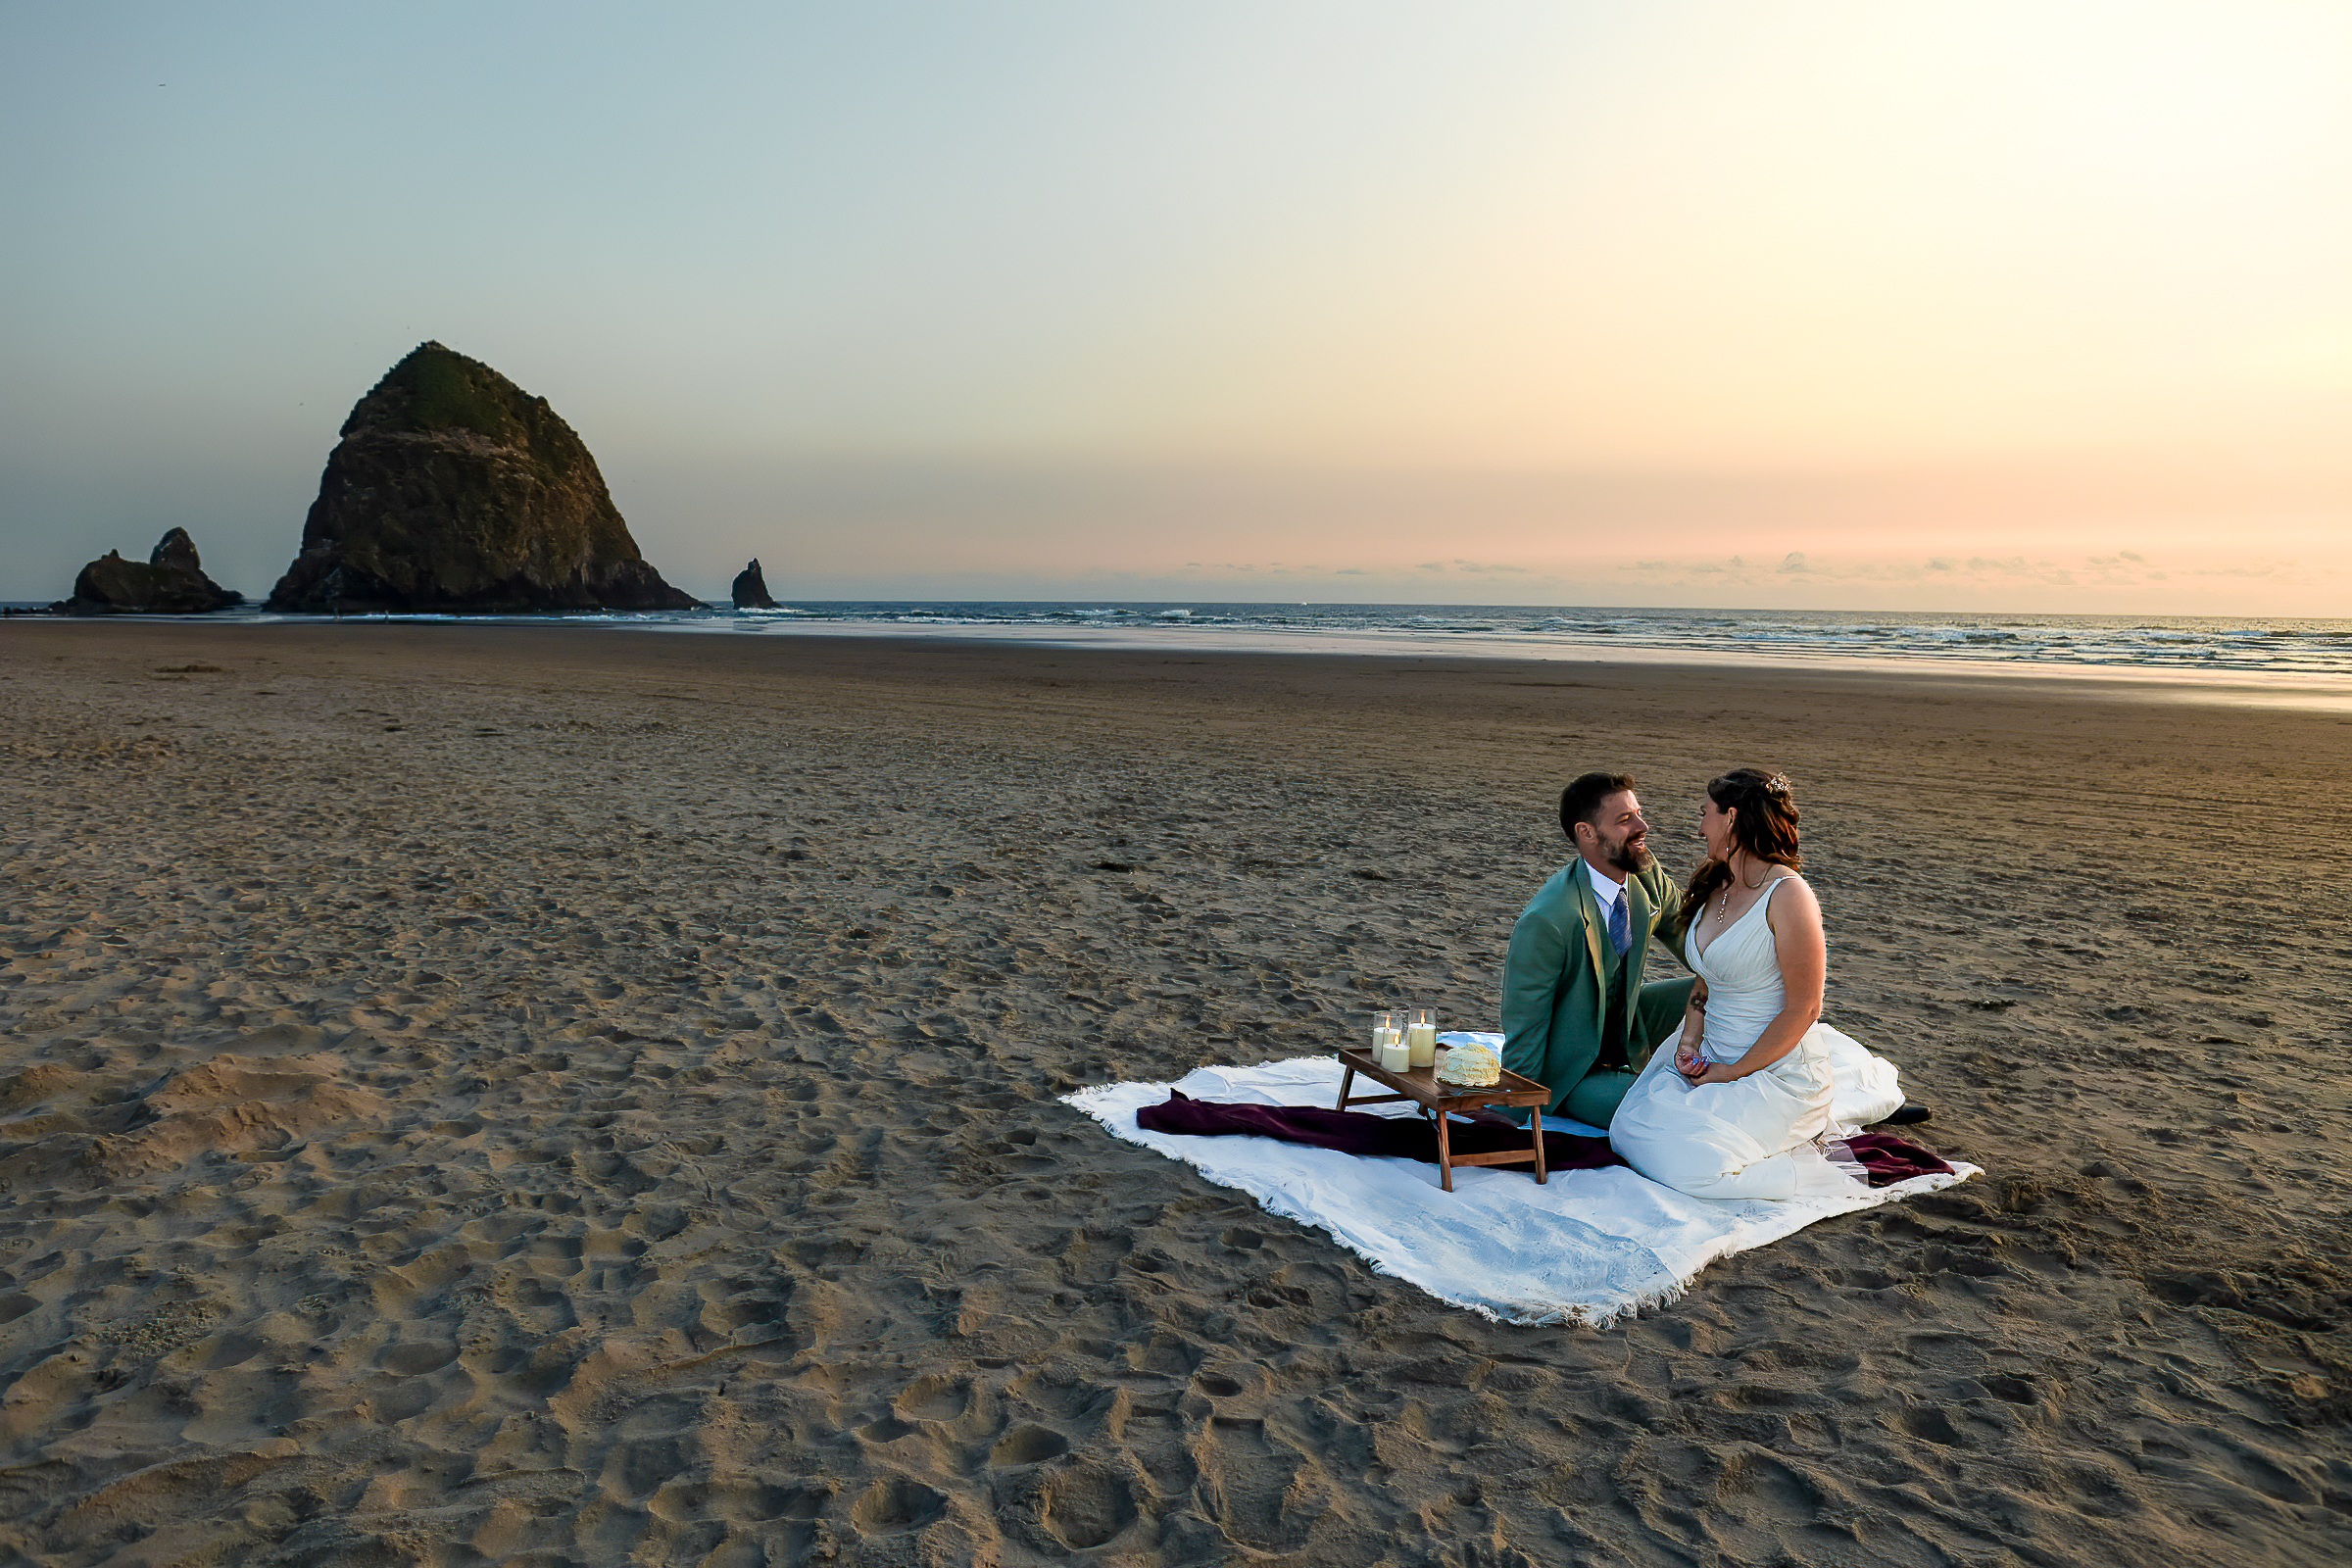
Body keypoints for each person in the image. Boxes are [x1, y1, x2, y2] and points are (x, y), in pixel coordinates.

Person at [1607, 768, 1907, 1200]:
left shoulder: (1789, 895)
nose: (1699, 827)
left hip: (1773, 1068)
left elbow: (1805, 1008)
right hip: (1710, 1051)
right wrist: (1689, 1042)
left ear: (1731, 819)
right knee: (1630, 1130)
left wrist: (1731, 1073)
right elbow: (1708, 976)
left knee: (1691, 1162)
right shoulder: (1718, 883)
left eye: (1705, 814)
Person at [1498, 772, 1697, 1128]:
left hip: (1631, 1029)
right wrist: (1509, 1111)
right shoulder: (1548, 920)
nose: (1643, 826)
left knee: (1722, 987)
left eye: (1638, 813)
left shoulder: (1644, 874)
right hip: (1574, 1068)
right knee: (1660, 1111)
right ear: (1586, 833)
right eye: (1625, 820)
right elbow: (1525, 1024)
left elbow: (1695, 941)